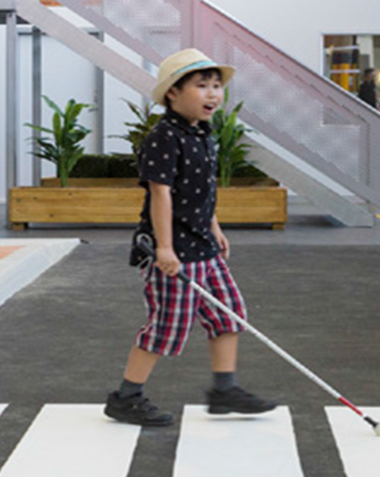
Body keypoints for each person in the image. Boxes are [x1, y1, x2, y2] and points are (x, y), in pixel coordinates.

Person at [103, 48, 276, 426]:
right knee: (166, 327)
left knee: (228, 314)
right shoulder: (163, 138)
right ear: (173, 93)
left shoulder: (202, 134)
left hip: (204, 246)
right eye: (202, 86)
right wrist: (164, 248)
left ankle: (224, 390)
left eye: (216, 86)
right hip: (174, 252)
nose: (213, 94)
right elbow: (160, 194)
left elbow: (201, 188)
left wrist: (214, 225)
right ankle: (126, 397)